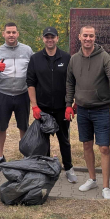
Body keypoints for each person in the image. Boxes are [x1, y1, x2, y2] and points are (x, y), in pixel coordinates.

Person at [65, 26, 110, 200]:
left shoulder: (104, 57)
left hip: (101, 109)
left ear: (95, 37)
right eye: (85, 35)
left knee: (104, 147)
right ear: (79, 37)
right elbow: (70, 83)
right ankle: (92, 179)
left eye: (91, 36)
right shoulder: (74, 59)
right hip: (82, 109)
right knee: (86, 145)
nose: (88, 38)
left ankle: (106, 187)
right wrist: (68, 104)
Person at [26, 27, 77, 183]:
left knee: (64, 140)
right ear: (43, 39)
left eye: (52, 37)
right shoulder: (35, 59)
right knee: (44, 141)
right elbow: (30, 83)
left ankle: (68, 168)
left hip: (62, 108)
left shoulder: (66, 58)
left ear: (57, 38)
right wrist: (34, 106)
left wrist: (70, 104)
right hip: (43, 108)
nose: (50, 40)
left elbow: (72, 82)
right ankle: (46, 169)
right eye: (47, 37)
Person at [0, 22, 33, 170]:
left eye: (14, 32)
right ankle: (0, 157)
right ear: (3, 34)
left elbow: (35, 70)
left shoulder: (27, 50)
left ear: (18, 34)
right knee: (1, 126)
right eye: (8, 32)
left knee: (24, 126)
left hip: (23, 95)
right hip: (3, 95)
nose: (11, 35)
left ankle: (25, 157)